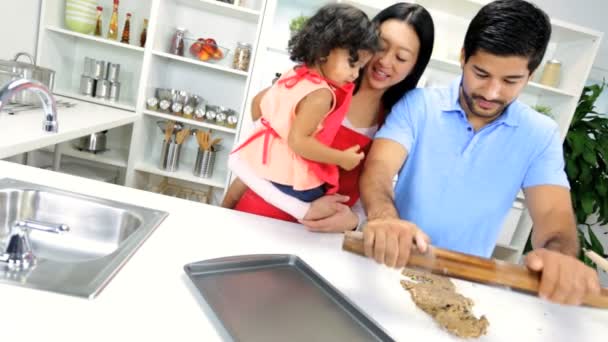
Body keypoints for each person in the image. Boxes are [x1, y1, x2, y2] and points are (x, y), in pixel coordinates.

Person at [360, 0, 601, 305]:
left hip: (466, 284)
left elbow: (554, 213)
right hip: (389, 263)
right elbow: (378, 168)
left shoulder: (540, 134)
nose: (491, 92)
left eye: (511, 81)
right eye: (481, 73)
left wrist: (560, 254)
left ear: (531, 74)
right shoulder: (418, 104)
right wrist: (384, 217)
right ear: (463, 57)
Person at [223, 3, 435, 230]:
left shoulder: (397, 124)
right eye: (381, 47)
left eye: (401, 58)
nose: (385, 61)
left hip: (317, 241)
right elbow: (257, 146)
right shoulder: (318, 91)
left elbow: (374, 197)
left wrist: (355, 221)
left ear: (415, 67)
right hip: (257, 217)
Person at [228, 3, 379, 205]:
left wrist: (273, 136)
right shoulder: (321, 94)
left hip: (261, 159)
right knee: (326, 204)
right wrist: (340, 158)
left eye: (361, 67)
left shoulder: (295, 74)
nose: (355, 75)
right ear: (324, 50)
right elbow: (298, 142)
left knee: (240, 187)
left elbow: (257, 105)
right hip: (287, 177)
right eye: (353, 63)